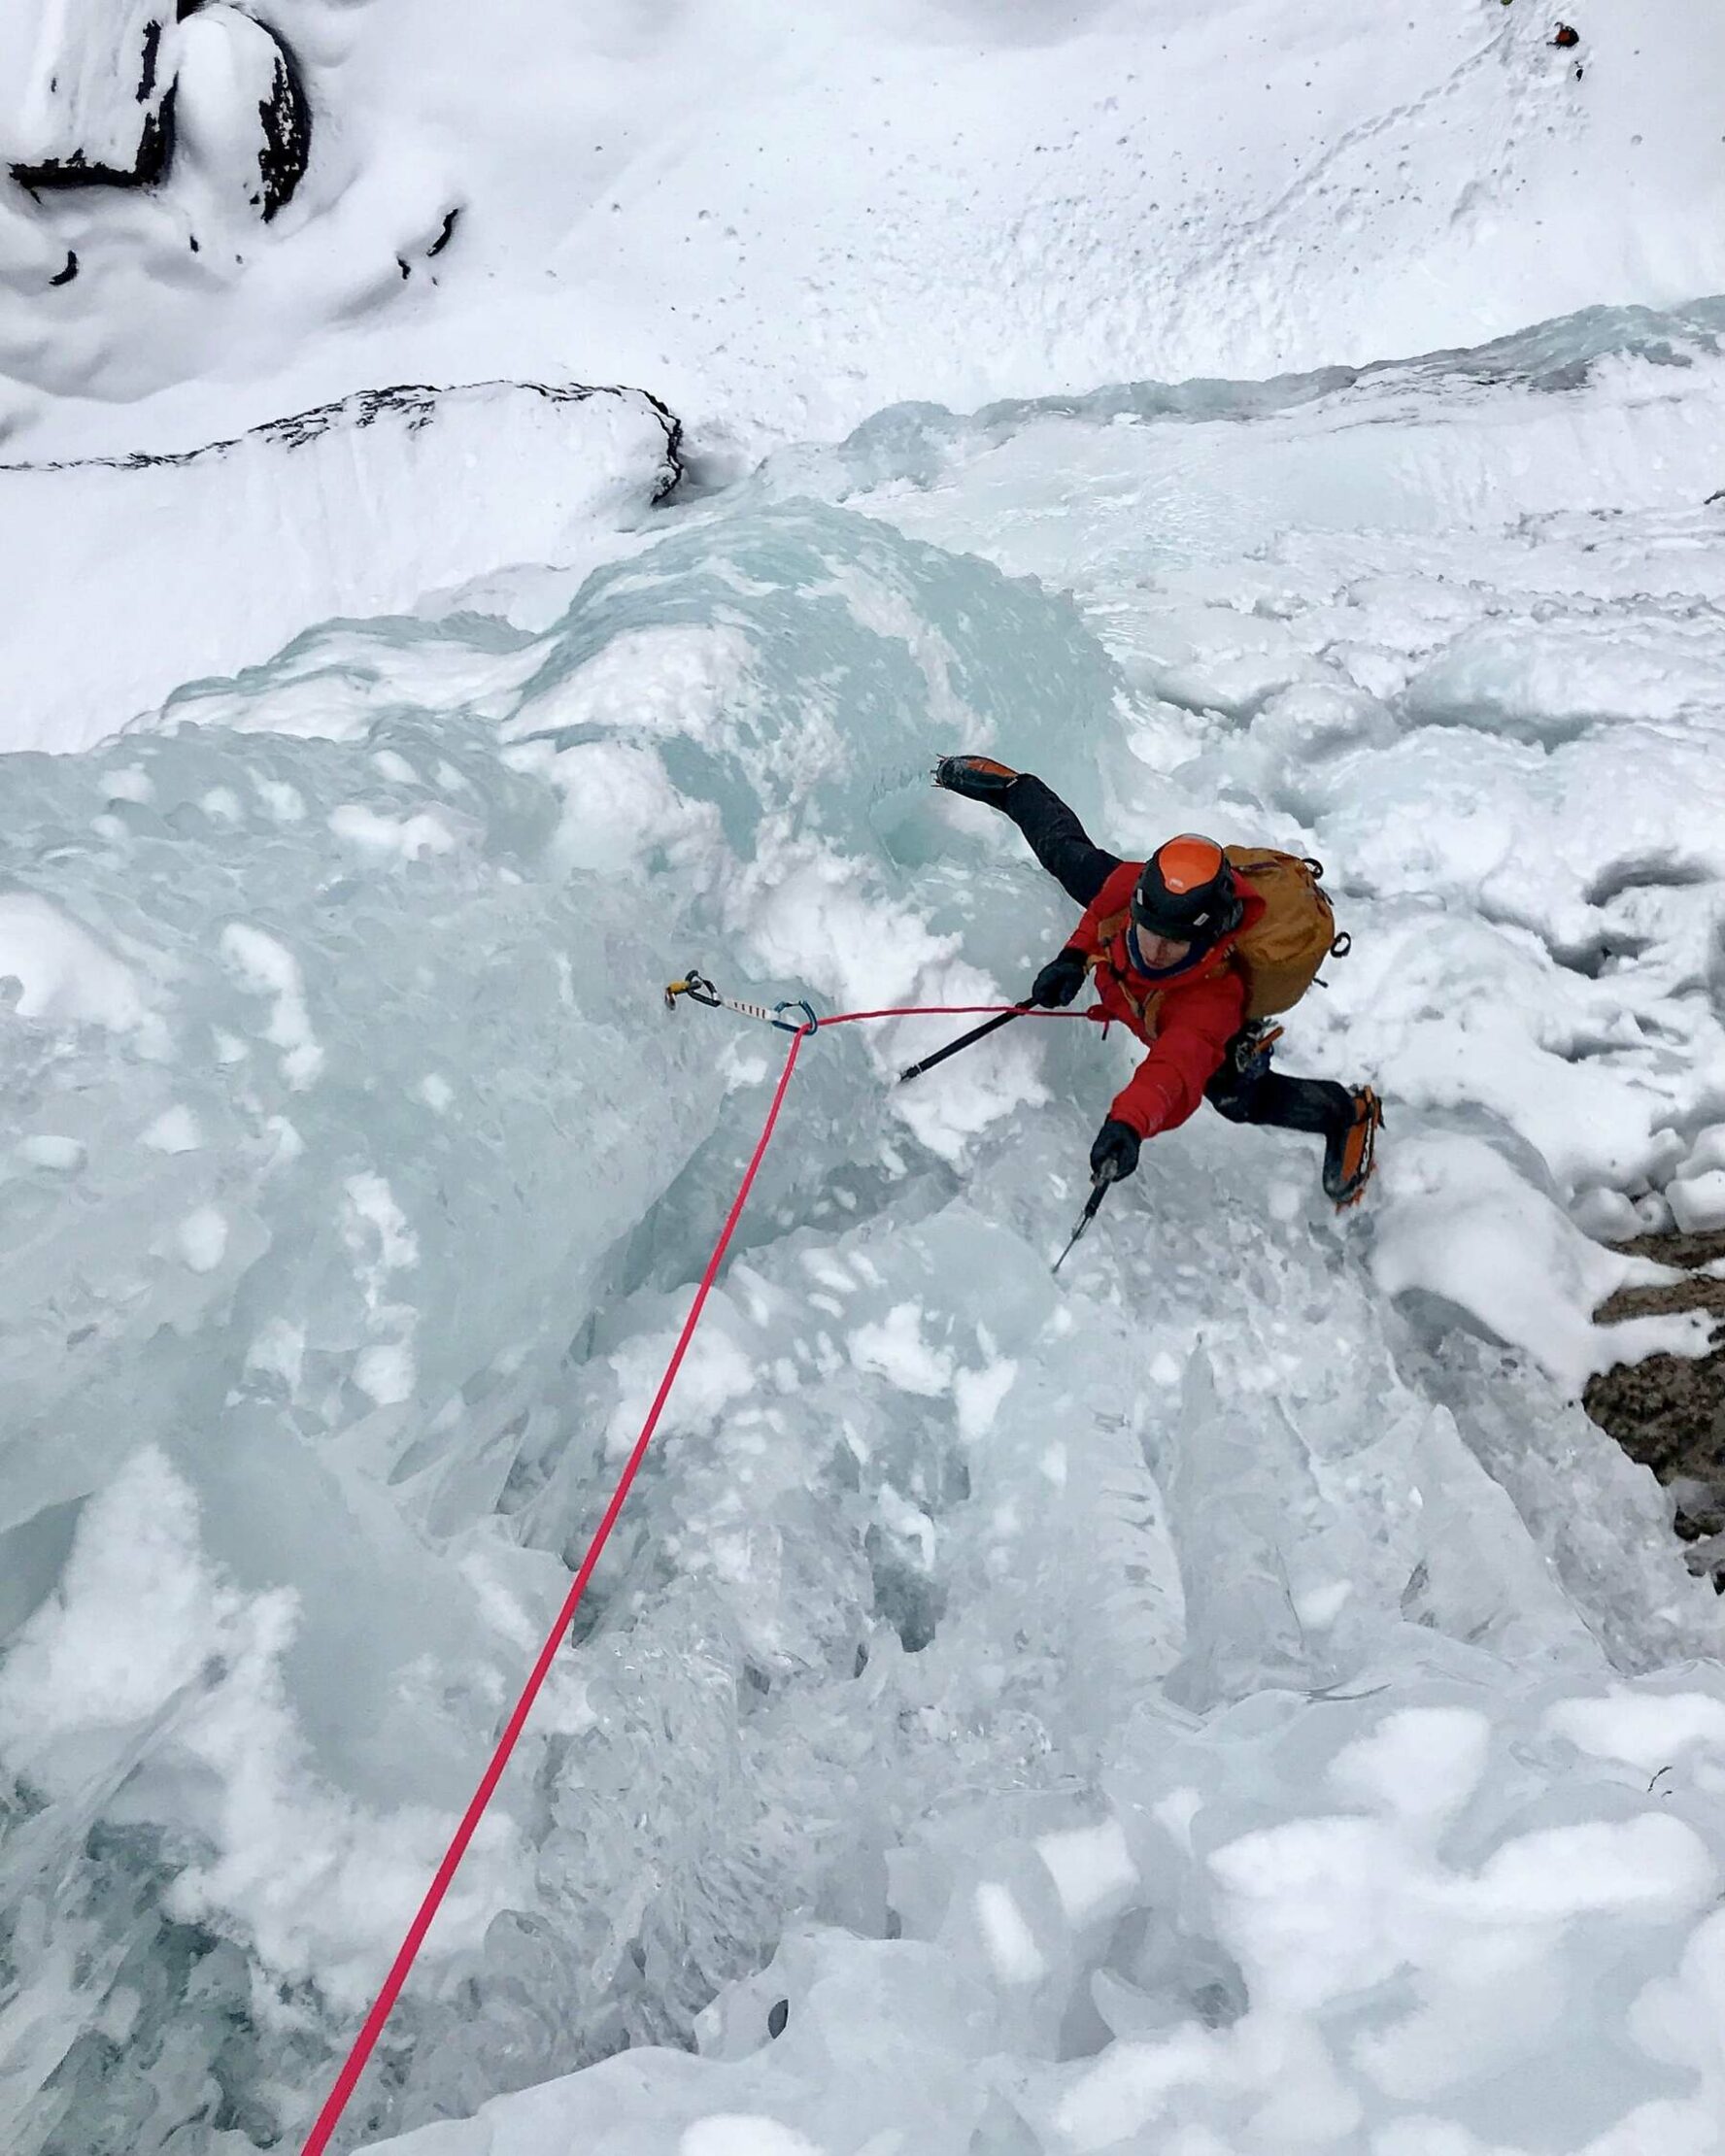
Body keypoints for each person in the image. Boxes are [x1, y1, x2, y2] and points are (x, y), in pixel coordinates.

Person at [933, 756, 1382, 1206]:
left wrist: (1128, 1123)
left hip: (1218, 1033)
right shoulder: (1133, 891)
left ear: (1209, 934)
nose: (1155, 950)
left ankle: (1345, 1112)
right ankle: (1005, 780)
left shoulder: (1210, 1000)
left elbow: (1174, 1069)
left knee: (1236, 1098)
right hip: (1145, 981)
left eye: (1174, 943)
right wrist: (1073, 957)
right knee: (1070, 862)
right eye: (1147, 931)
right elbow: (1071, 856)